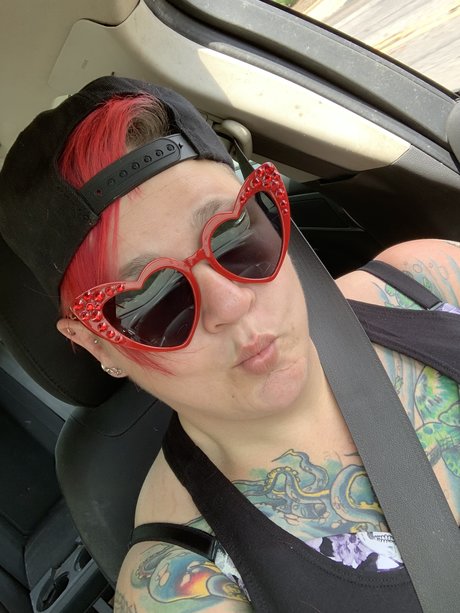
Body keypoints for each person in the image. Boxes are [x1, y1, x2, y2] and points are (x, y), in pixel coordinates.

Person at [0, 75, 459, 613]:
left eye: (233, 235)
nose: (233, 303)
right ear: (100, 347)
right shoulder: (178, 586)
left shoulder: (426, 281)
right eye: (155, 300)